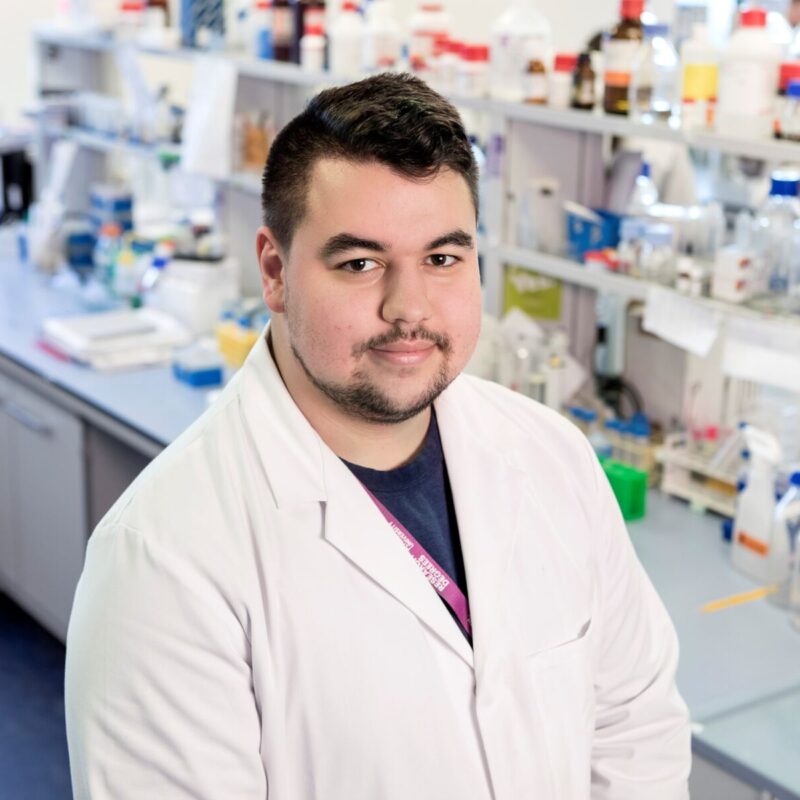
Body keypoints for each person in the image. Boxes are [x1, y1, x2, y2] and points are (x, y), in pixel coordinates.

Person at [65, 73, 691, 799]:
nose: (409, 307)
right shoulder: (164, 559)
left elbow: (635, 729)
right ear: (275, 271)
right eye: (360, 263)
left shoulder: (552, 455)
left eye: (442, 258)